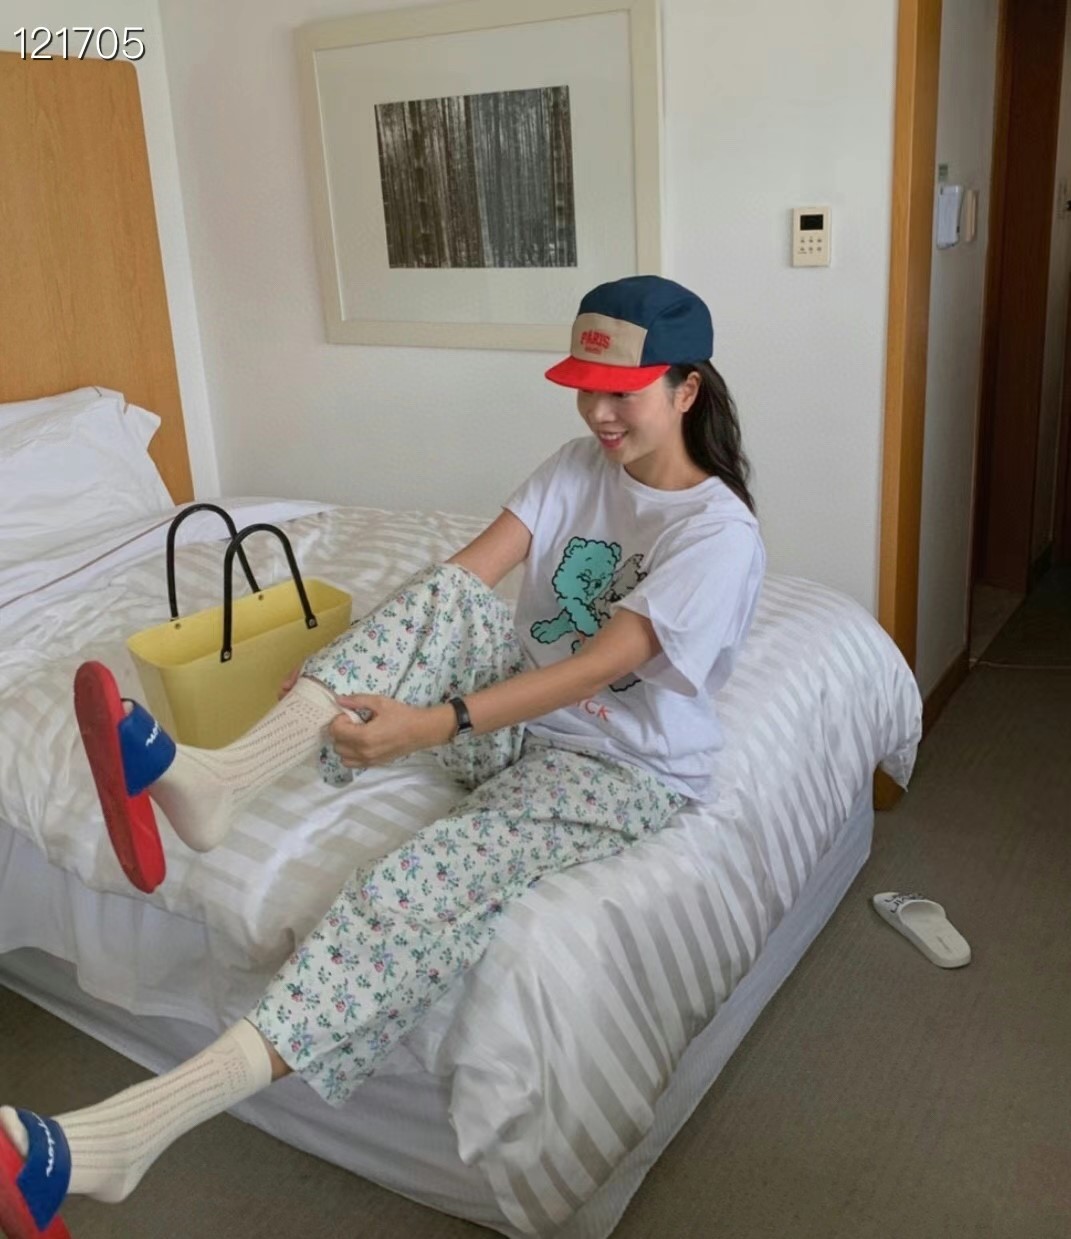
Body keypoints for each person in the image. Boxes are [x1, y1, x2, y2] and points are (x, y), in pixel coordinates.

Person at [0, 274, 765, 1239]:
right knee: (431, 600)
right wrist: (348, 674)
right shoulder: (578, 463)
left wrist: (433, 722)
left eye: (622, 393)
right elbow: (466, 574)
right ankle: (225, 777)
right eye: (585, 390)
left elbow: (598, 667)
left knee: (406, 889)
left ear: (686, 389)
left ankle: (119, 1138)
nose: (598, 414)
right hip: (521, 719)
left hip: (617, 766)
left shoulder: (717, 535)